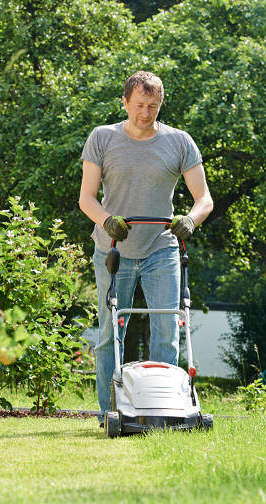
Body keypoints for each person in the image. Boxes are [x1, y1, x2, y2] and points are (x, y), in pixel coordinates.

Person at [78, 71, 213, 425]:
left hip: (161, 247)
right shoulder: (102, 138)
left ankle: (162, 411)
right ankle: (110, 410)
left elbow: (204, 199)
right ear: (125, 102)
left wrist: (191, 220)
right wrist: (107, 220)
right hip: (113, 249)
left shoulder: (179, 142)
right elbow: (86, 198)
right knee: (111, 333)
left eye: (153, 106)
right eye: (139, 105)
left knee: (167, 328)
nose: (145, 112)